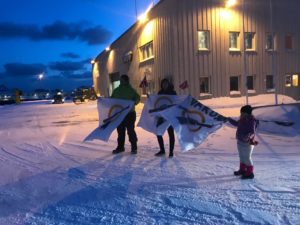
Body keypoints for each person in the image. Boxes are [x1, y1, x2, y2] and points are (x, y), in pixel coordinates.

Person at [111, 74, 140, 154]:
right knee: (120, 131)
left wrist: (134, 102)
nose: (121, 81)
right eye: (121, 80)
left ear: (127, 80)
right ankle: (120, 147)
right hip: (119, 114)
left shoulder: (131, 90)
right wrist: (103, 100)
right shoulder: (116, 90)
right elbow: (111, 100)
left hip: (129, 114)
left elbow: (137, 98)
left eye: (123, 80)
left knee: (130, 131)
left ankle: (134, 147)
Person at [229, 105, 259, 179]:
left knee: (247, 157)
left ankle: (249, 173)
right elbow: (237, 124)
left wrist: (247, 136)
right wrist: (229, 119)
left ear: (248, 113)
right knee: (241, 156)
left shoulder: (251, 120)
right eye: (241, 113)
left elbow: (252, 132)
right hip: (240, 141)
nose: (241, 114)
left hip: (247, 143)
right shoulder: (242, 119)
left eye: (243, 113)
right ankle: (242, 170)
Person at [155, 78, 177, 158]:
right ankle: (162, 150)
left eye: (166, 83)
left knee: (171, 134)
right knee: (158, 133)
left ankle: (171, 151)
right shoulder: (160, 92)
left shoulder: (173, 92)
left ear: (168, 84)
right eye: (163, 84)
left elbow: (175, 103)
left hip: (170, 116)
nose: (164, 85)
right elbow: (157, 102)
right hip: (161, 115)